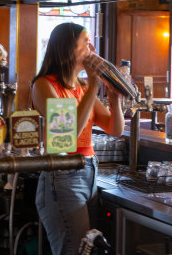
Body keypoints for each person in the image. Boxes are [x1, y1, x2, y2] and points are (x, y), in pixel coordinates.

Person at [32, 22, 124, 255]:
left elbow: (115, 129)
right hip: (63, 175)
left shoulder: (81, 87)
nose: (92, 48)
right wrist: (95, 84)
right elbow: (66, 136)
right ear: (68, 49)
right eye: (85, 42)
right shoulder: (45, 85)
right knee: (74, 249)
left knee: (85, 247)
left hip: (89, 171)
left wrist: (115, 100)